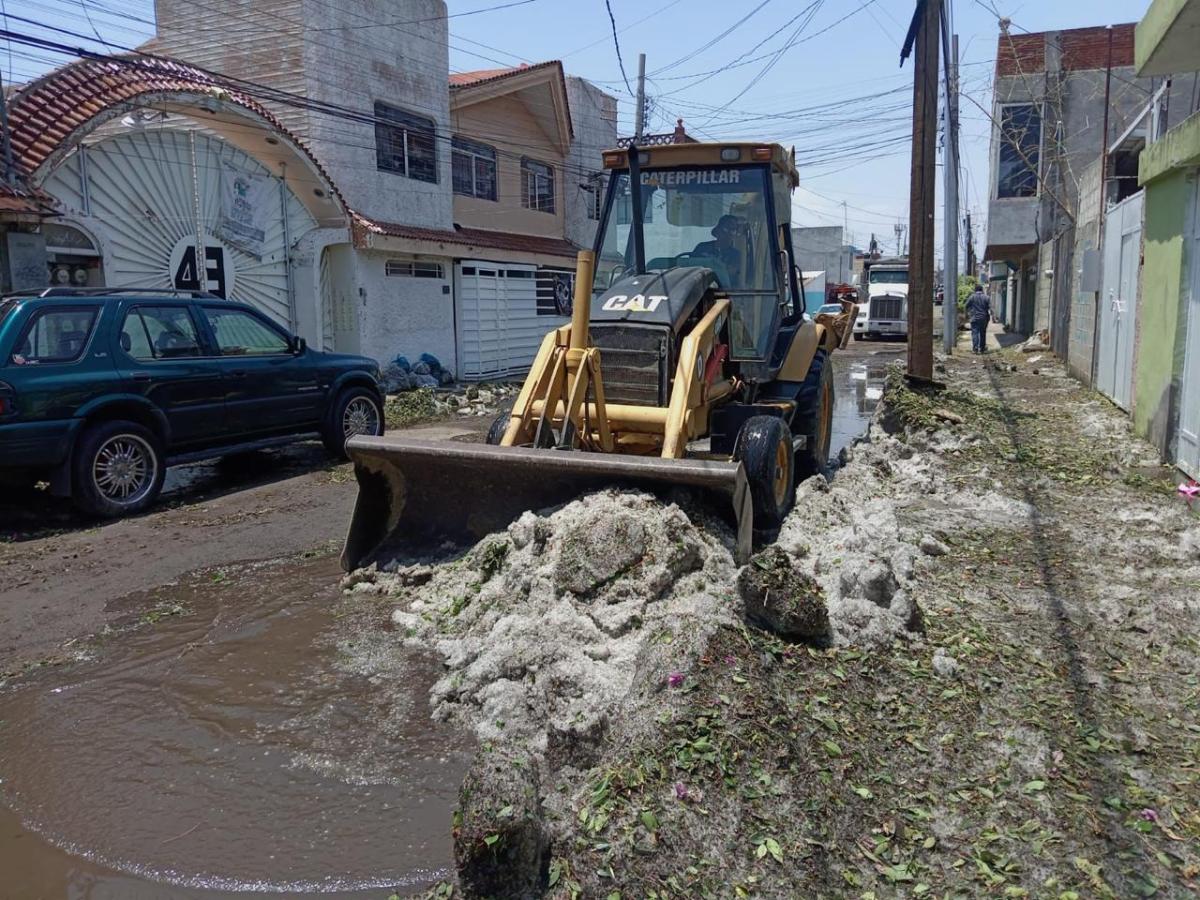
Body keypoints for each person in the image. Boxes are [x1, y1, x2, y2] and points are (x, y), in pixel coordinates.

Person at [691, 214, 744, 285]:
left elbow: (732, 273)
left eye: (733, 230)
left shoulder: (736, 255)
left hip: (726, 292)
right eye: (726, 229)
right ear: (718, 230)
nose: (729, 234)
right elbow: (691, 269)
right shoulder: (701, 247)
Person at [965, 283, 992, 354]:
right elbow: (990, 308)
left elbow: (966, 306)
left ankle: (975, 349)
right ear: (982, 290)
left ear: (975, 290)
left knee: (975, 333)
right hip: (984, 318)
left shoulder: (972, 297)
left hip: (974, 317)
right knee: (983, 333)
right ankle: (982, 349)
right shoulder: (987, 297)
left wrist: (968, 314)